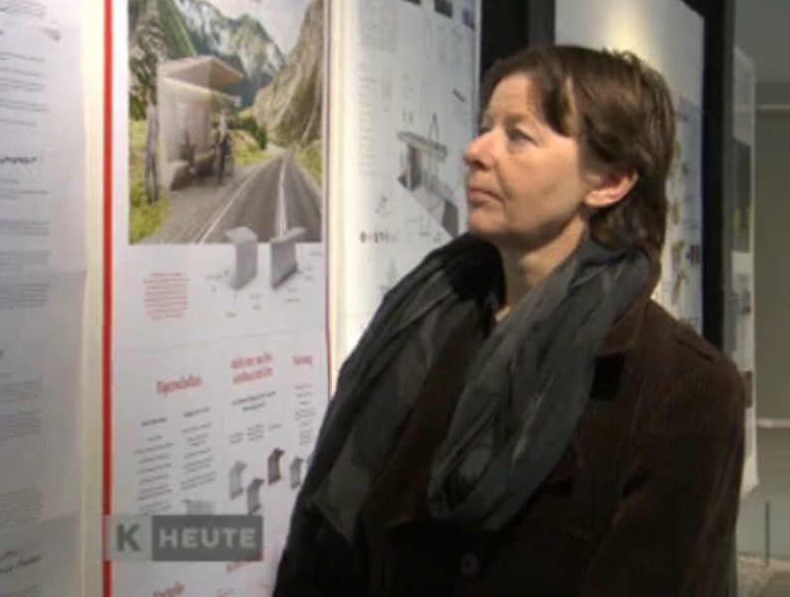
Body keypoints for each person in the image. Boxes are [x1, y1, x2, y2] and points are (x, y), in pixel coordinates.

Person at [273, 44, 746, 596]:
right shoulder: (427, 324)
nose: (475, 151)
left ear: (609, 181)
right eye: (484, 129)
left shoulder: (683, 388)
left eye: (518, 135)